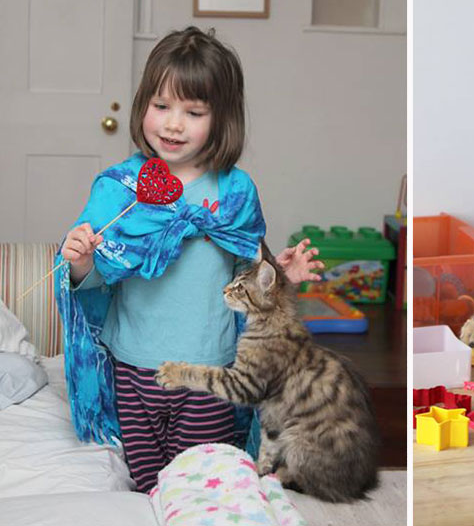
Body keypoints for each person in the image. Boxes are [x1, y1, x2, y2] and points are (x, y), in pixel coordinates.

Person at [56, 26, 320, 492]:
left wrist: (281, 276)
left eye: (193, 111)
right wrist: (79, 260)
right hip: (133, 367)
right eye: (161, 106)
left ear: (221, 119)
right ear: (143, 106)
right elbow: (98, 275)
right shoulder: (118, 189)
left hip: (209, 369)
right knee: (146, 486)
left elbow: (249, 272)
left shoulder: (235, 192)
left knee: (198, 486)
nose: (173, 124)